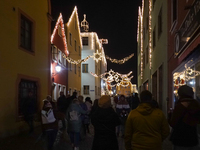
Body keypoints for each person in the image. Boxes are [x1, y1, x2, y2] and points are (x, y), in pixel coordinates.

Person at [169, 85, 200, 150]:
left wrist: (170, 115)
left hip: (180, 139)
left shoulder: (179, 106)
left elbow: (173, 123)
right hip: (193, 138)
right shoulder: (196, 105)